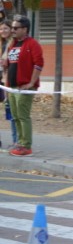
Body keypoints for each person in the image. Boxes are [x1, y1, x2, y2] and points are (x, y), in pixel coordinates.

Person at [5, 15, 43, 157]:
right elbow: (9, 65)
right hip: (12, 87)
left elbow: (39, 64)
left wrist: (31, 83)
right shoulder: (13, 44)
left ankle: (26, 146)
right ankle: (20, 143)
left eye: (16, 28)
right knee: (15, 116)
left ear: (25, 29)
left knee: (23, 116)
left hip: (24, 87)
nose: (13, 30)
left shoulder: (32, 44)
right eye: (12, 28)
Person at [0, 19, 18, 148]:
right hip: (2, 80)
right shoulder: (2, 43)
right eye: (1, 29)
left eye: (5, 28)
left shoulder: (13, 43)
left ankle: (16, 141)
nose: (3, 31)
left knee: (13, 113)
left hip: (9, 81)